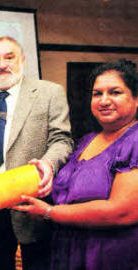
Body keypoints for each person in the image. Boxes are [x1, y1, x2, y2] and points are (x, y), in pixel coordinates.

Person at [13, 59, 138, 270]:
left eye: (115, 92)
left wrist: (49, 212)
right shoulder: (87, 140)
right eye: (97, 93)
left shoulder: (134, 141)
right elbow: (70, 191)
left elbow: (122, 212)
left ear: (136, 99)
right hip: (69, 252)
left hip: (110, 257)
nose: (104, 100)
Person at [0, 36, 73, 270]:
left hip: (32, 201)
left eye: (9, 57)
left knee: (38, 263)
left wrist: (48, 164)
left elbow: (62, 140)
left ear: (22, 60)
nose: (2, 64)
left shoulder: (49, 93)